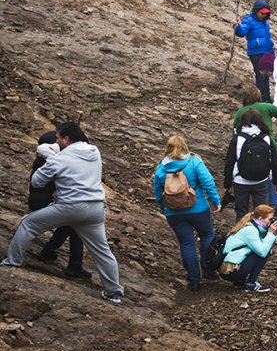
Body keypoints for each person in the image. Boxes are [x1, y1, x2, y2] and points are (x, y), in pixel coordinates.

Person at [3, 122, 126, 304]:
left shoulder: (59, 159)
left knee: (27, 224)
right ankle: (114, 293)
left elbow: (37, 181)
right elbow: (63, 152)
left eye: (59, 137)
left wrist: (47, 157)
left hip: (69, 206)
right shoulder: (94, 151)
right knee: (102, 251)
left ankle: (11, 264)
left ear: (66, 139)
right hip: (95, 208)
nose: (56, 140)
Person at [153, 135, 222, 291]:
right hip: (198, 208)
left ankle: (193, 280)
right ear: (184, 146)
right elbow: (207, 182)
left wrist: (163, 208)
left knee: (186, 243)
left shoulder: (161, 168)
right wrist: (216, 200)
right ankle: (208, 270)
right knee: (207, 235)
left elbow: (158, 192)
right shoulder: (194, 161)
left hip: (174, 212)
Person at [28, 131, 90, 281]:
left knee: (73, 222)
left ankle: (51, 251)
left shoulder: (46, 159)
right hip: (45, 204)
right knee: (76, 223)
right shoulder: (54, 162)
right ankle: (72, 265)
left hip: (43, 202)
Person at [223, 109, 277, 221]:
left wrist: (227, 184)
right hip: (261, 180)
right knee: (262, 213)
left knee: (241, 212)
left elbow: (229, 162)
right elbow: (274, 161)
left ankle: (241, 235)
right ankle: (260, 236)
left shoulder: (237, 138)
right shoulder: (266, 138)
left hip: (240, 181)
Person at [217, 205, 277, 293]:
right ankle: (250, 284)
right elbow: (263, 251)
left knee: (261, 249)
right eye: (270, 219)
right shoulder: (251, 230)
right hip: (229, 272)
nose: (271, 222)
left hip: (228, 268)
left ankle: (239, 281)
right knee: (265, 252)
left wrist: (273, 233)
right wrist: (270, 233)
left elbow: (262, 242)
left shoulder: (252, 225)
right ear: (260, 218)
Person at [233, 0, 275, 102]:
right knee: (260, 76)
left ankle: (266, 98)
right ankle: (261, 99)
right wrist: (237, 27)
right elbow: (241, 32)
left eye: (266, 14)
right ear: (256, 11)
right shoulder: (249, 20)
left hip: (266, 52)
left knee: (266, 76)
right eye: (262, 13)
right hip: (256, 53)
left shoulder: (265, 23)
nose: (264, 15)